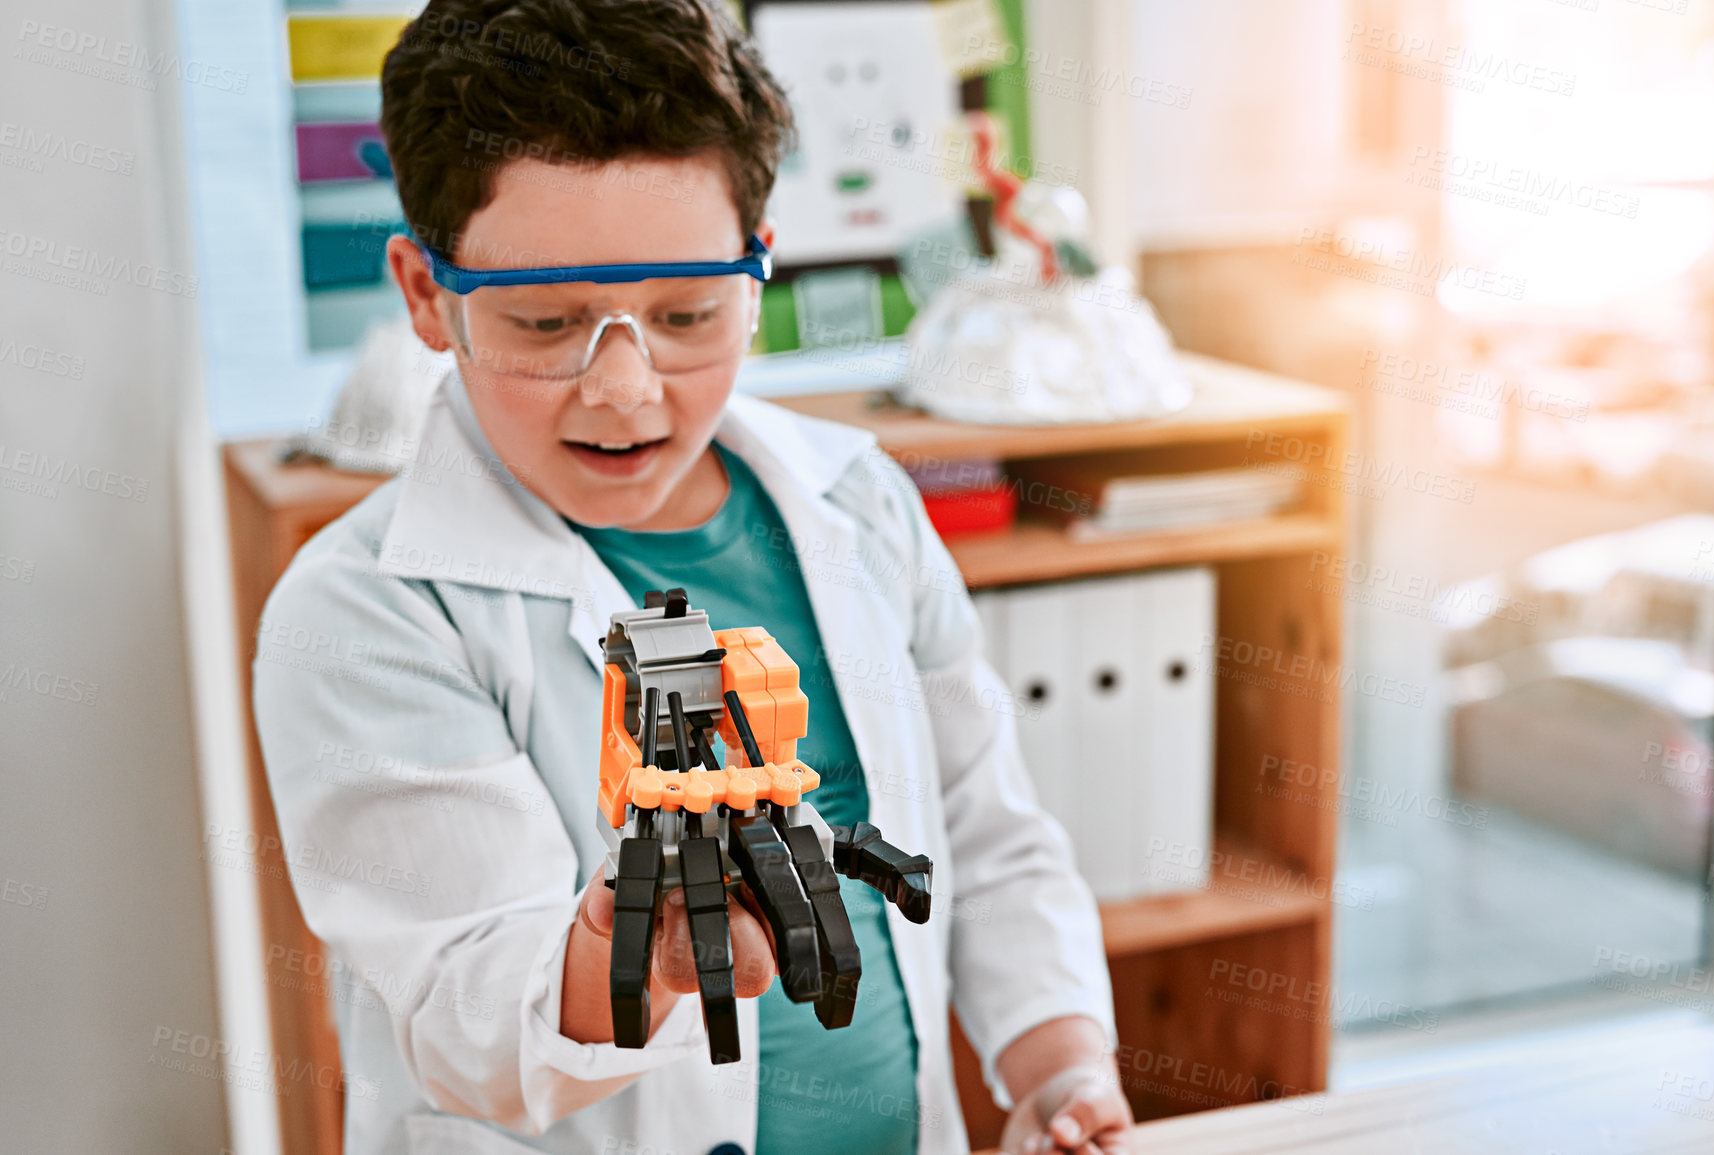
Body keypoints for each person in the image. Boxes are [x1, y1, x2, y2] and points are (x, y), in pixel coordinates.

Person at [252, 1, 1131, 1152]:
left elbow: (986, 831)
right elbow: (468, 1022)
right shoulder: (362, 611)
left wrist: (1057, 1066)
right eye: (545, 320)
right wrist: (642, 941)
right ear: (426, 296)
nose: (623, 386)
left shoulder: (857, 504)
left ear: (760, 268)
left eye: (686, 315)